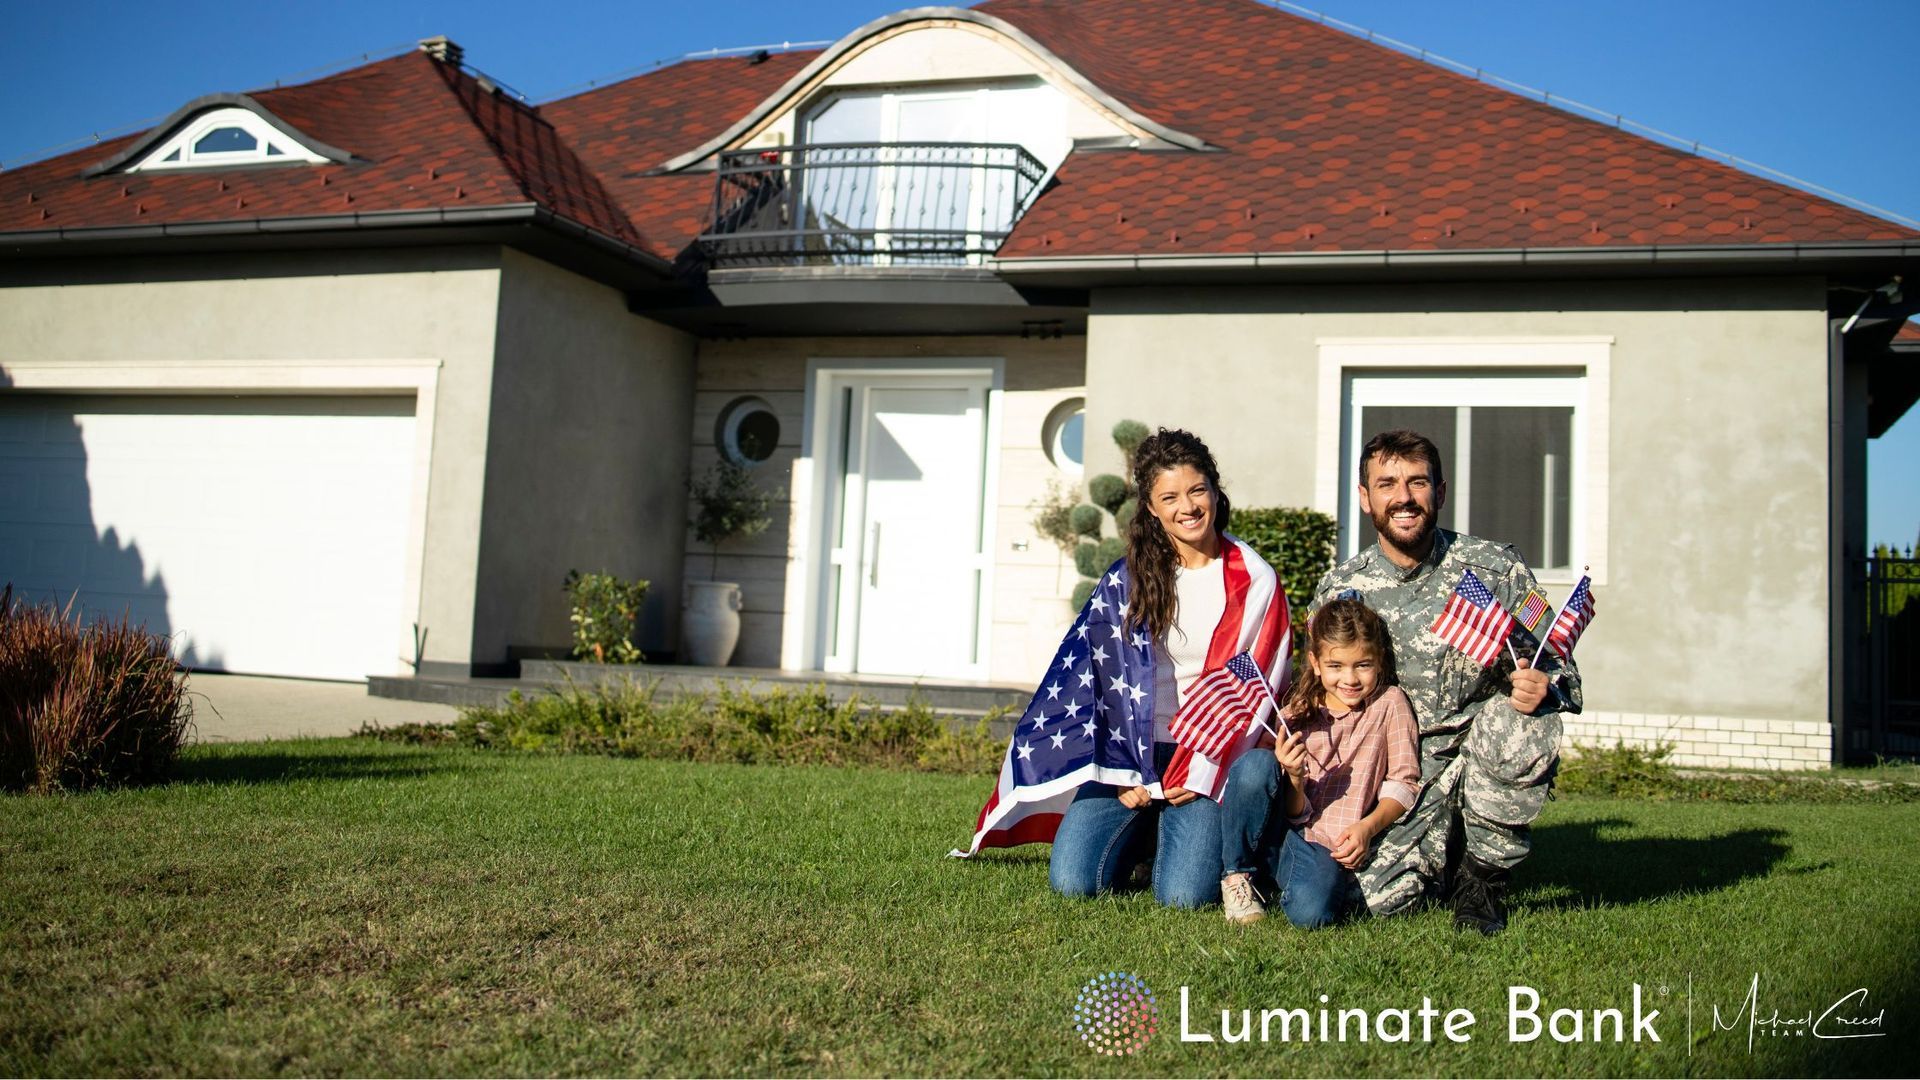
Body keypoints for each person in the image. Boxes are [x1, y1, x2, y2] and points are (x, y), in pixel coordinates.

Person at [1004, 427, 1291, 909]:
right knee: (1075, 882)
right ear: (1152, 508)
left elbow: (1256, 689)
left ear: (1216, 493)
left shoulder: (1254, 578)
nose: (1189, 507)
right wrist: (1123, 771)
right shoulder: (1128, 577)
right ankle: (1143, 833)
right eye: (1170, 497)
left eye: (1198, 490)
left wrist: (1195, 771)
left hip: (1203, 753)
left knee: (1182, 896)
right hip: (1130, 752)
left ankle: (1170, 835)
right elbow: (1092, 679)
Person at [1313, 429, 1581, 934]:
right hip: (1401, 770)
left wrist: (1545, 685)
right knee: (1365, 901)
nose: (1404, 497)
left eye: (1418, 482)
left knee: (1521, 722)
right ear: (1365, 497)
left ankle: (1482, 881)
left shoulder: (1495, 570)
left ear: (1440, 490)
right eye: (1387, 483)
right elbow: (1320, 697)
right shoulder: (1341, 589)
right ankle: (1445, 852)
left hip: (1481, 750)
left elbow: (1556, 659)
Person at [1218, 598, 1421, 927]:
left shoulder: (1390, 704)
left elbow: (1403, 783)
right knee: (1257, 763)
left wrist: (1367, 828)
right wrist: (1295, 777)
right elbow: (1291, 810)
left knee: (1313, 916)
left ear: (1379, 661)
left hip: (1323, 845)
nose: (1350, 678)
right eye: (1336, 666)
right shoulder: (1298, 711)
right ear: (1315, 662)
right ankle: (1236, 874)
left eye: (1363, 665)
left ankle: (1275, 883)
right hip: (1280, 830)